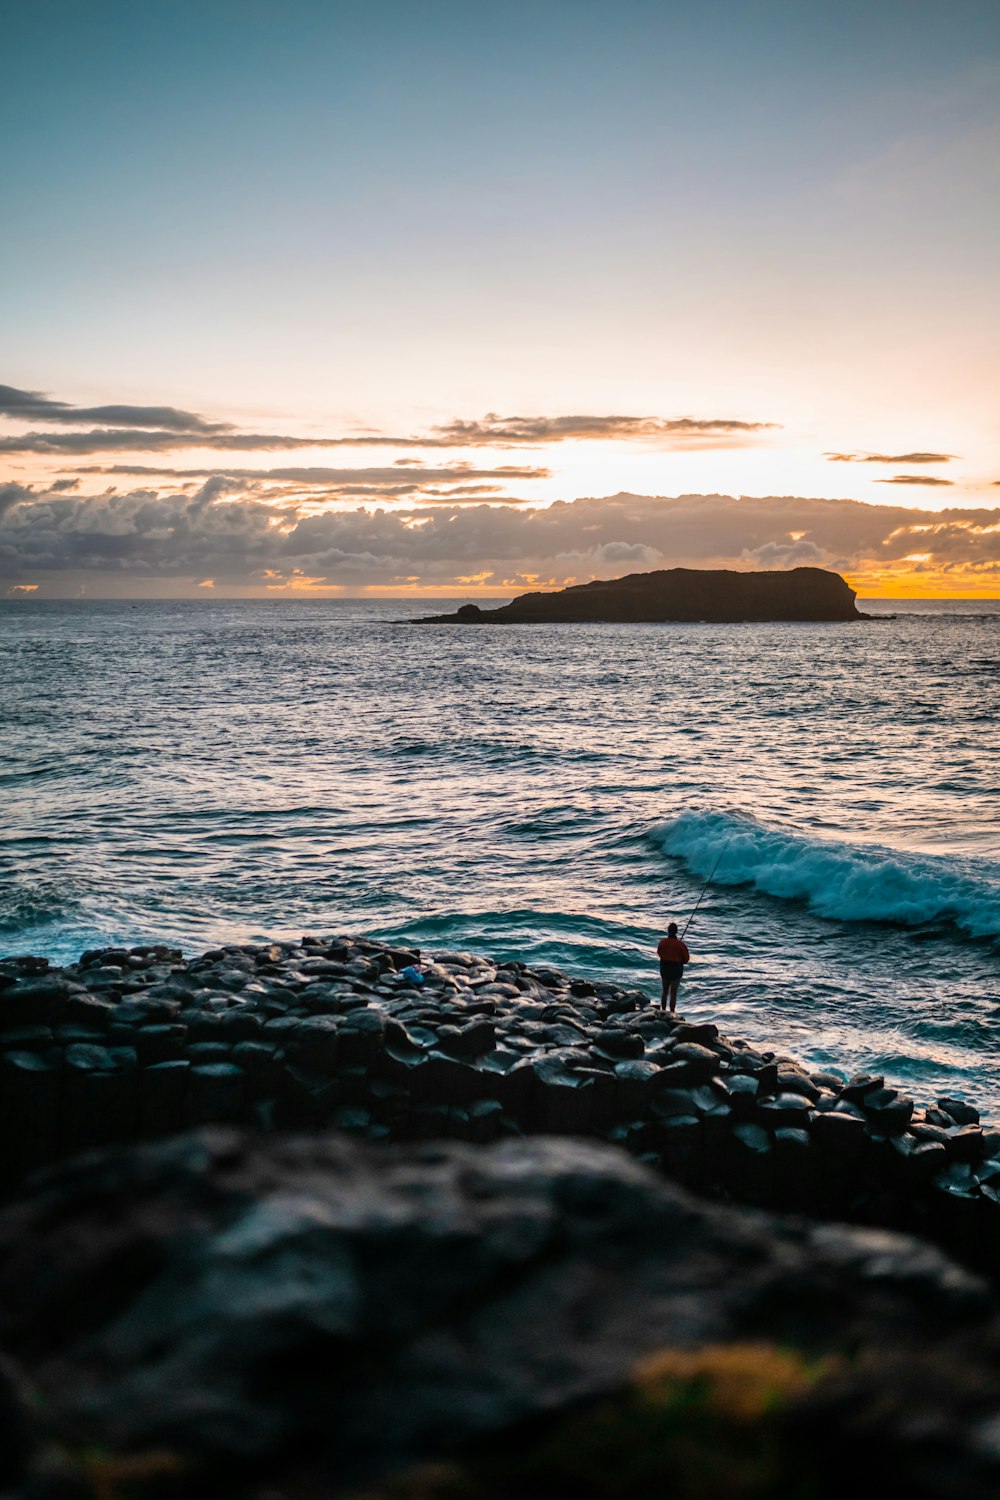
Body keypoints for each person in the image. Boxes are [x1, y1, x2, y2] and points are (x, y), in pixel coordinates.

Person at [656, 922, 690, 1013]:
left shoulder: (662, 943)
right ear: (676, 932)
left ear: (668, 931)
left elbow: (659, 953)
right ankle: (672, 1012)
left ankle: (662, 1011)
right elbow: (686, 959)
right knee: (673, 993)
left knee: (665, 991)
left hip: (665, 969)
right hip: (676, 971)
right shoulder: (681, 945)